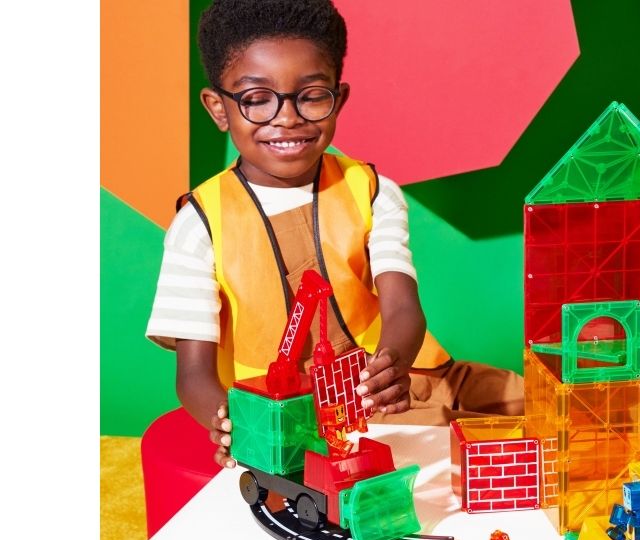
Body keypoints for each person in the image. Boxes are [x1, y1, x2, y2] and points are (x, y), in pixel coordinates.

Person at [146, 0, 523, 469]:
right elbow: (193, 375)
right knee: (473, 459)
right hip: (300, 418)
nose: (287, 117)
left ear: (338, 99)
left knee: (547, 404)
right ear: (219, 108)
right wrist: (238, 425)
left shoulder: (372, 190)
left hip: (404, 379)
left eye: (311, 95)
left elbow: (403, 307)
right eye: (256, 99)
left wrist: (392, 364)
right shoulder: (198, 224)